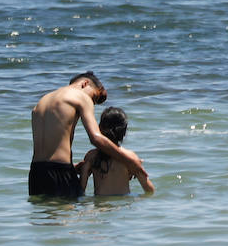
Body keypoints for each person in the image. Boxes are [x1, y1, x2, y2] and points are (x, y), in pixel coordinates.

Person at [29, 71, 149, 199]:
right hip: (60, 170)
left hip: (36, 173)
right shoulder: (80, 96)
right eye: (94, 98)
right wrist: (130, 161)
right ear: (85, 83)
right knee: (66, 217)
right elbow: (95, 138)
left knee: (43, 217)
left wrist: (74, 168)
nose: (91, 103)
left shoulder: (42, 101)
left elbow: (48, 150)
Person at [76, 106, 155, 196]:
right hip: (123, 206)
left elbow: (81, 189)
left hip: (101, 208)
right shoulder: (130, 157)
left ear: (99, 129)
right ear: (124, 132)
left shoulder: (91, 156)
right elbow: (149, 190)